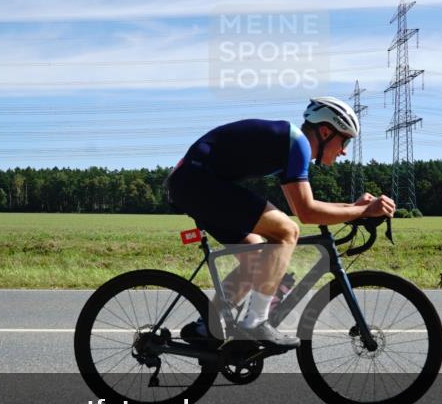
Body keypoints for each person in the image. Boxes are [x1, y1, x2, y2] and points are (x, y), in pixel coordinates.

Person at [166, 97, 396, 349]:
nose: (344, 151)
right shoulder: (297, 144)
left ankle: (206, 326)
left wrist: (356, 208)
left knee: (256, 253)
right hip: (197, 182)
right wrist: (361, 210)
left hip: (191, 183)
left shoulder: (290, 143)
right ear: (325, 132)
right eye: (345, 140)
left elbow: (307, 204)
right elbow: (306, 213)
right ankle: (255, 323)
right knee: (287, 231)